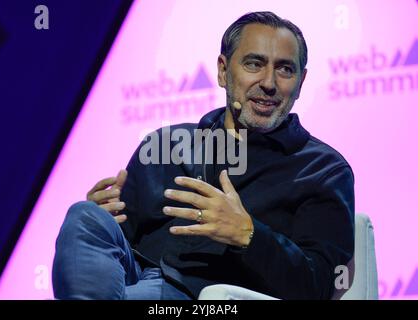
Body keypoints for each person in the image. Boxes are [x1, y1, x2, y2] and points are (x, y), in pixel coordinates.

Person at [52, 11, 354, 300]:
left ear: (300, 82)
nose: (269, 83)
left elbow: (318, 286)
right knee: (85, 216)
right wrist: (107, 219)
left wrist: (248, 234)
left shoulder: (323, 169)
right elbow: (116, 251)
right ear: (223, 71)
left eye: (285, 69)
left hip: (212, 298)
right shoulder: (164, 145)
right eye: (254, 64)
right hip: (134, 281)